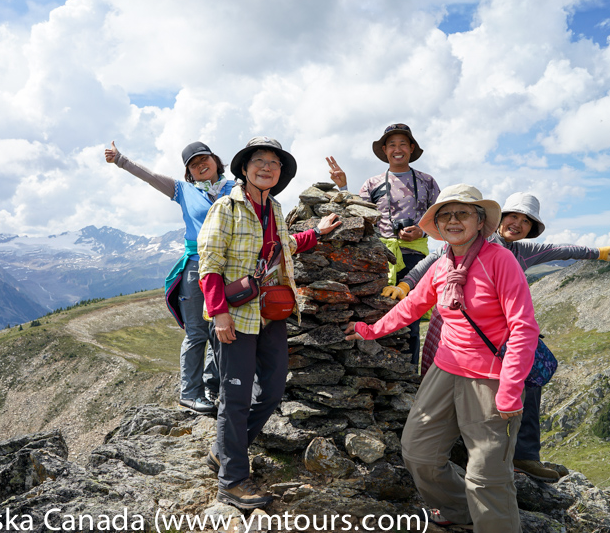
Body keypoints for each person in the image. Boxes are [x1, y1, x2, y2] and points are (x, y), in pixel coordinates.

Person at [390, 191, 610, 482]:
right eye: (513, 216)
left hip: (497, 341)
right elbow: (433, 263)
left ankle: (522, 456)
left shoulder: (522, 252)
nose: (518, 223)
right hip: (453, 331)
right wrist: (405, 285)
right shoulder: (471, 241)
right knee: (442, 385)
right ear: (497, 218)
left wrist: (598, 253)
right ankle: (446, 451)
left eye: (526, 221)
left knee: (529, 379)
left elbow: (564, 250)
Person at [345, 184, 538, 533]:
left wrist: (510, 389)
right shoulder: (441, 264)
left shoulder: (500, 260)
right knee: (418, 453)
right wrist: (370, 330)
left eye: (462, 213)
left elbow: (523, 327)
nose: (453, 220)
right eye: (445, 214)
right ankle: (459, 511)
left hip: (490, 380)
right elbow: (413, 306)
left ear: (480, 222)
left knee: (487, 476)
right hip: (444, 371)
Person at [198, 137, 341, 510]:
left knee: (273, 390)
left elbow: (284, 246)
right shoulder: (226, 207)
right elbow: (209, 261)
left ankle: (224, 451)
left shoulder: (274, 208)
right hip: (235, 315)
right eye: (258, 161)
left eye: (274, 164)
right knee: (236, 398)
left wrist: (319, 233)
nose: (266, 167)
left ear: (280, 174)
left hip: (270, 313)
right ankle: (231, 481)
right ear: (244, 169)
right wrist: (219, 313)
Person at [105, 140, 234, 415]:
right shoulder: (182, 190)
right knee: (197, 331)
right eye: (193, 164)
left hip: (228, 269)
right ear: (189, 172)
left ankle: (215, 388)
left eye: (204, 159)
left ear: (215, 160)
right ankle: (190, 394)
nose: (200, 165)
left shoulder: (235, 189)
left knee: (221, 331)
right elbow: (149, 176)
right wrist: (120, 159)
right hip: (196, 268)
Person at [326, 123, 440, 366]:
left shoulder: (427, 182)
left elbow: (440, 217)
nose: (397, 149)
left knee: (410, 315)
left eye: (402, 144)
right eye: (392, 145)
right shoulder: (371, 183)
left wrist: (421, 229)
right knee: (377, 309)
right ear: (385, 150)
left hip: (416, 258)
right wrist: (343, 187)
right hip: (380, 257)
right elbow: (358, 215)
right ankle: (381, 368)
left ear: (411, 148)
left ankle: (407, 371)